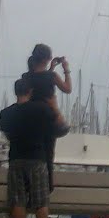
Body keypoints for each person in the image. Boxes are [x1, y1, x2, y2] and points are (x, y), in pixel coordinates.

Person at [0, 76, 60, 218]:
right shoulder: (41, 109)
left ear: (15, 91)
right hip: (37, 158)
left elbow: (7, 134)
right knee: (41, 200)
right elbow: (54, 125)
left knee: (18, 200)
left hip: (16, 158)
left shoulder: (6, 113)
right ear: (30, 91)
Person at [22, 43, 72, 187]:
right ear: (47, 58)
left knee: (32, 153)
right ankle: (47, 186)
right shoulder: (52, 76)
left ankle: (28, 185)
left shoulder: (26, 76)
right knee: (48, 155)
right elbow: (67, 89)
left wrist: (51, 68)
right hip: (48, 119)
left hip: (30, 119)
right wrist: (66, 69)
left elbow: (41, 80)